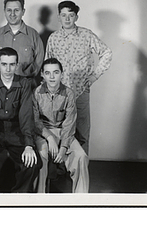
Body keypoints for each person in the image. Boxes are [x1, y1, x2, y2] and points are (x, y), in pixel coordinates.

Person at [45, 1, 112, 154]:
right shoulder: (53, 38)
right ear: (58, 17)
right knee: (59, 130)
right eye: (64, 15)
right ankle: (61, 170)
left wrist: (95, 76)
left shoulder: (86, 35)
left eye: (71, 15)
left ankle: (82, 171)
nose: (67, 19)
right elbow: (47, 64)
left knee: (82, 131)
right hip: (58, 93)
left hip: (80, 91)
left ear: (76, 17)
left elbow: (106, 52)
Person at [0, 47, 42, 193]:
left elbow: (26, 115)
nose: (8, 69)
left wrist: (29, 145)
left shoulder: (24, 84)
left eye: (12, 64)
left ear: (16, 65)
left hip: (17, 131)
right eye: (4, 64)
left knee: (33, 164)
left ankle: (17, 197)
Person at [33, 58, 89, 193]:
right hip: (43, 132)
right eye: (48, 73)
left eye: (56, 72)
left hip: (64, 132)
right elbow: (35, 121)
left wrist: (64, 147)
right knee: (42, 154)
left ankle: (81, 200)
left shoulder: (69, 93)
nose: (52, 77)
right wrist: (49, 138)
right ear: (42, 74)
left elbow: (69, 124)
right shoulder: (36, 93)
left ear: (62, 74)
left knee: (81, 156)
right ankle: (39, 199)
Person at [0, 0, 44, 87]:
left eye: (16, 10)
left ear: (23, 11)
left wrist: (25, 75)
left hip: (27, 86)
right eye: (9, 10)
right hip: (1, 87)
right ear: (4, 12)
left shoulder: (33, 35)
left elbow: (38, 62)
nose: (12, 14)